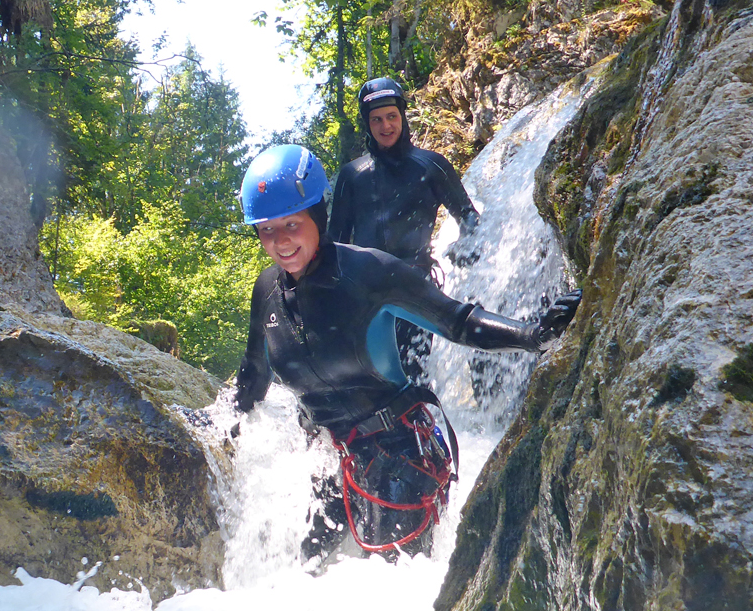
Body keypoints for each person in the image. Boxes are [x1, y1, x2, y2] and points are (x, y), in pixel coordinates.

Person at [234, 144, 580, 559]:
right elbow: (254, 375)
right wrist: (222, 424)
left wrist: (532, 335)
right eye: (267, 230)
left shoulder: (369, 272)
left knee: (386, 596)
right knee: (304, 581)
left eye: (291, 224)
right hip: (327, 465)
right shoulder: (267, 291)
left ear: (317, 216)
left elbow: (458, 321)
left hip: (399, 458)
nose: (280, 241)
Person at [329, 77, 483, 385]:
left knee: (415, 376)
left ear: (403, 116)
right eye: (376, 119)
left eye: (391, 117)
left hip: (416, 284)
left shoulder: (431, 166)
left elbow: (468, 217)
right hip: (364, 289)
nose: (385, 126)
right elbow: (334, 243)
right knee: (369, 378)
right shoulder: (352, 176)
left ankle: (420, 428)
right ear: (367, 124)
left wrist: (469, 248)